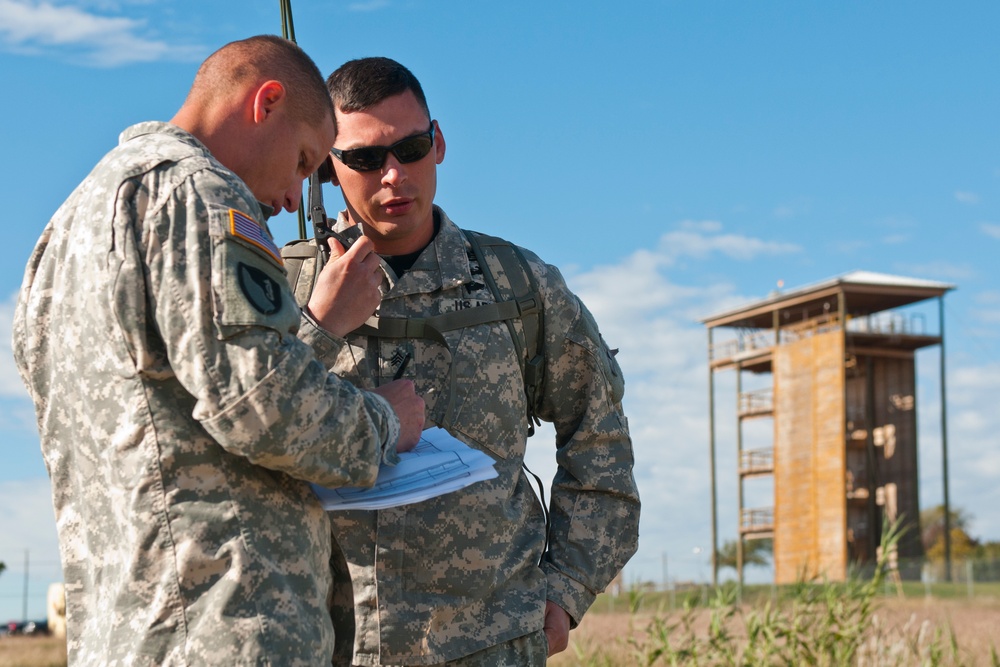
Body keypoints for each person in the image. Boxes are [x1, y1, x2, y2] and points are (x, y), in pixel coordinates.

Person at [12, 36, 425, 666]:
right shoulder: (201, 195)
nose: (291, 197)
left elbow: (177, 408)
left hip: (127, 632)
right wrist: (386, 421)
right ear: (267, 103)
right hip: (226, 626)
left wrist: (313, 330)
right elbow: (263, 406)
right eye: (304, 159)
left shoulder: (66, 227)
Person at [284, 57, 640, 666]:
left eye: (412, 147)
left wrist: (568, 587)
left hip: (488, 647)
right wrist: (316, 325)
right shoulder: (281, 291)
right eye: (365, 159)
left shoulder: (517, 286)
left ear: (439, 141)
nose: (394, 175)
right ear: (326, 166)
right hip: (324, 646)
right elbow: (236, 421)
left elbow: (599, 434)